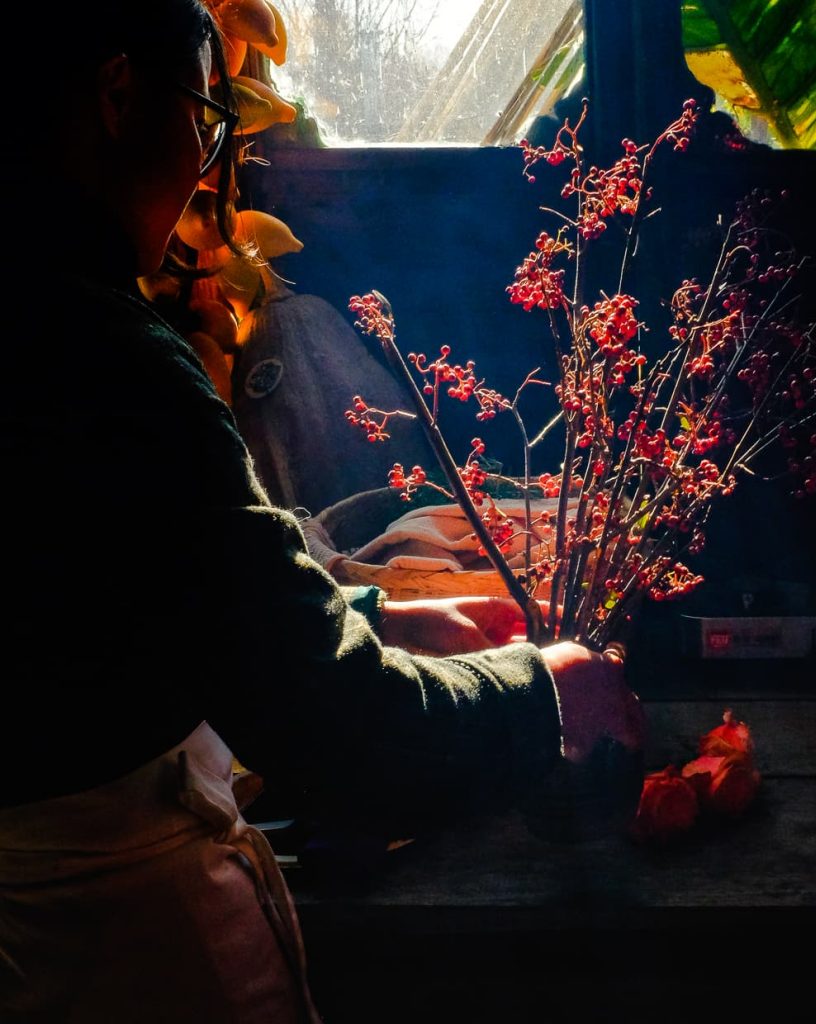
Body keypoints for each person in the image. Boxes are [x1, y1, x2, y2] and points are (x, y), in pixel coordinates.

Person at [0, 3, 644, 1022]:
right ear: (119, 96)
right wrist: (542, 693)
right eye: (210, 120)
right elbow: (325, 726)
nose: (210, 164)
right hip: (105, 933)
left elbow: (123, 607)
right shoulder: (107, 363)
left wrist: (379, 620)